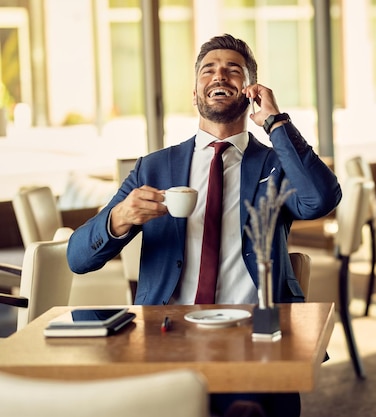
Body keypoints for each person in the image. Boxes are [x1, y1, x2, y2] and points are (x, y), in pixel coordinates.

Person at [66, 33, 341, 417]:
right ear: (195, 94)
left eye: (233, 71)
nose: (219, 76)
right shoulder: (154, 167)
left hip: (252, 336)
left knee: (243, 407)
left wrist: (276, 122)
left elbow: (322, 199)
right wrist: (120, 217)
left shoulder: (275, 166)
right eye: (208, 70)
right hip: (166, 339)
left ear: (249, 91)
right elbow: (78, 259)